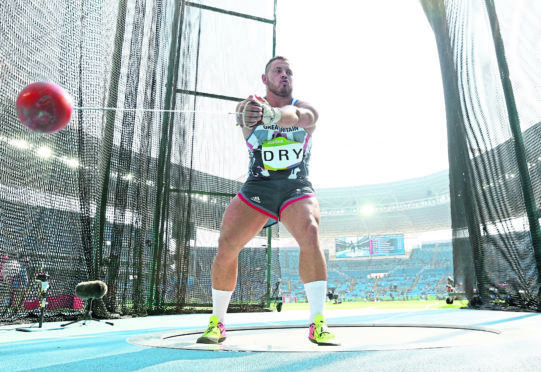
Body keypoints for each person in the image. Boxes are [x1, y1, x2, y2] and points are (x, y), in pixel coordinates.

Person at [196, 56, 338, 346]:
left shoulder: (305, 108)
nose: (284, 75)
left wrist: (273, 116)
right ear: (265, 78)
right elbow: (243, 112)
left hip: (295, 187)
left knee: (310, 231)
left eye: (288, 72)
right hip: (259, 186)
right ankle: (217, 322)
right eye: (278, 70)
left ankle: (318, 322)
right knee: (227, 244)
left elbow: (301, 118)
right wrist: (248, 112)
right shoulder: (252, 105)